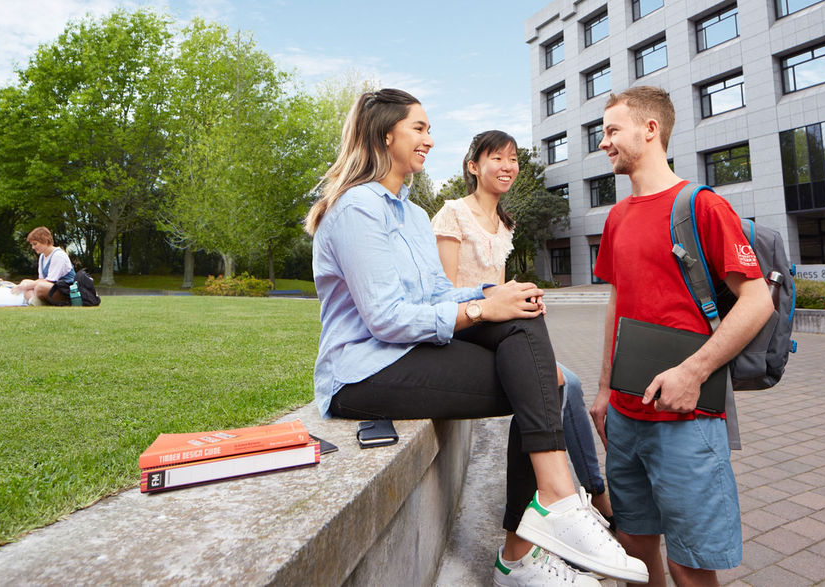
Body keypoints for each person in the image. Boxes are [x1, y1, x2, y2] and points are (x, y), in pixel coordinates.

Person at [307, 88, 647, 586]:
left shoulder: (412, 215)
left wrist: (496, 293)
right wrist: (486, 306)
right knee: (528, 362)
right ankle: (550, 513)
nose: (429, 139)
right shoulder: (358, 209)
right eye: (419, 128)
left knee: (533, 345)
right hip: (364, 371)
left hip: (409, 351)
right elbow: (386, 319)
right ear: (385, 135)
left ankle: (525, 544)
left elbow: (438, 293)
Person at [587, 86, 773, 587]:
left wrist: (695, 370)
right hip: (625, 418)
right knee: (633, 549)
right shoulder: (617, 216)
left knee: (688, 564)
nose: (603, 143)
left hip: (686, 418)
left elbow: (758, 301)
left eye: (611, 131)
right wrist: (604, 390)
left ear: (650, 130)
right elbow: (616, 306)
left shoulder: (702, 207)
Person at [431, 130, 613, 524]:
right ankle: (582, 498)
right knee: (563, 384)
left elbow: (498, 286)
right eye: (496, 158)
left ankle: (584, 493)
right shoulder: (452, 213)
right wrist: (500, 301)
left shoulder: (504, 222)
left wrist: (519, 298)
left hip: (496, 329)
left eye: (512, 159)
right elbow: (441, 291)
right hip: (463, 325)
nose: (507, 166)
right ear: (473, 166)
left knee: (569, 383)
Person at [12, 227, 75, 305]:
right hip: (50, 288)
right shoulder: (42, 256)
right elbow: (41, 279)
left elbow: (50, 280)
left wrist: (27, 286)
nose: (33, 247)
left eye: (35, 244)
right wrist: (25, 285)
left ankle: (41, 303)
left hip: (65, 291)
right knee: (25, 284)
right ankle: (37, 303)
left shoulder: (58, 255)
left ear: (45, 241)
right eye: (32, 245)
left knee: (39, 287)